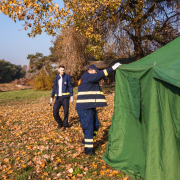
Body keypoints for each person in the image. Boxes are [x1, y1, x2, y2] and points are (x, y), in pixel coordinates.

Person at [75, 63, 121, 155]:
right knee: (89, 127)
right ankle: (88, 150)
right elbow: (99, 76)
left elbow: (97, 77)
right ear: (91, 70)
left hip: (89, 106)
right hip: (85, 107)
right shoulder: (87, 76)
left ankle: (86, 140)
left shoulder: (88, 77)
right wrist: (112, 68)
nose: (97, 73)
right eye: (96, 72)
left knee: (96, 124)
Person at [50, 65, 73, 131]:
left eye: (63, 70)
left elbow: (70, 86)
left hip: (65, 98)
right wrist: (52, 96)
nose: (62, 71)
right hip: (58, 98)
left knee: (66, 112)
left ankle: (65, 125)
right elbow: (54, 87)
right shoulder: (56, 78)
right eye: (61, 70)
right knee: (55, 111)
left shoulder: (67, 77)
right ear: (58, 70)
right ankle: (60, 123)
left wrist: (71, 95)